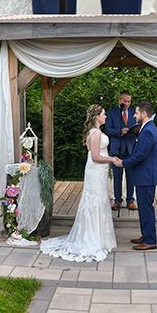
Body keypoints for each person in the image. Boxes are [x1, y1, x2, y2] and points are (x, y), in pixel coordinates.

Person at [40, 105, 119, 262]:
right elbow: (96, 156)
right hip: (96, 170)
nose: (106, 117)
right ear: (96, 116)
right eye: (104, 114)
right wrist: (112, 159)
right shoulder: (95, 133)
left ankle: (99, 237)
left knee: (99, 200)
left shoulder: (96, 131)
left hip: (99, 171)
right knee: (94, 201)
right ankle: (91, 239)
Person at [119, 102, 157, 250]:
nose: (134, 115)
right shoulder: (147, 128)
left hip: (146, 176)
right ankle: (146, 235)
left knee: (146, 208)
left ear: (144, 114)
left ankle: (150, 241)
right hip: (145, 176)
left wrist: (123, 163)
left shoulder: (148, 131)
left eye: (136, 113)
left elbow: (140, 155)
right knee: (144, 208)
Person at [104, 91, 137, 210]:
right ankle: (117, 200)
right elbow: (107, 129)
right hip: (116, 148)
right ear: (119, 100)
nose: (127, 103)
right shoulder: (112, 112)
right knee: (117, 176)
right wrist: (119, 131)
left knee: (131, 176)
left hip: (130, 148)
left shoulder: (134, 112)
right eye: (125, 101)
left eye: (129, 101)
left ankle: (130, 200)